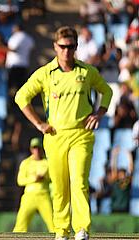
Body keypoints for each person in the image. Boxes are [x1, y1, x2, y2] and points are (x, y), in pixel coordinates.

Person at [15, 26, 113, 240]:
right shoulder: (45, 73)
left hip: (81, 134)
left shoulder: (86, 72)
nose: (66, 51)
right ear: (55, 47)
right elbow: (21, 97)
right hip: (55, 135)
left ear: (76, 47)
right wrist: (39, 124)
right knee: (59, 185)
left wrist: (99, 113)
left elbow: (107, 91)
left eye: (70, 47)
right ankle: (61, 230)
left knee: (78, 181)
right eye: (62, 47)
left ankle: (81, 228)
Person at [13, 137, 54, 233]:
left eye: (38, 148)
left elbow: (53, 178)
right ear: (31, 149)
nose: (37, 150)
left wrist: (45, 177)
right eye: (35, 148)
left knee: (53, 224)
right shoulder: (26, 163)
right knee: (21, 225)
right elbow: (20, 181)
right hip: (29, 196)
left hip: (44, 195)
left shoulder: (47, 162)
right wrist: (34, 179)